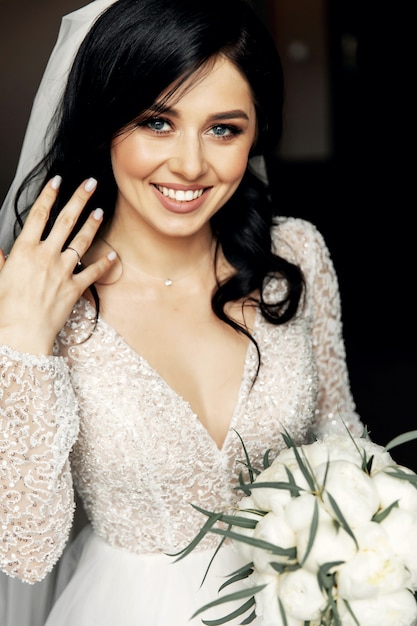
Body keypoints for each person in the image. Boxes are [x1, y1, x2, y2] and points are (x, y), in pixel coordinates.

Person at [0, 0, 364, 624]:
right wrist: (23, 337)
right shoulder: (34, 295)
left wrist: (380, 545)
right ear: (104, 122)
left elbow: (340, 437)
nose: (191, 165)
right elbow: (26, 552)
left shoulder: (295, 255)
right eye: (156, 123)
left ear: (257, 132)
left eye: (224, 128)